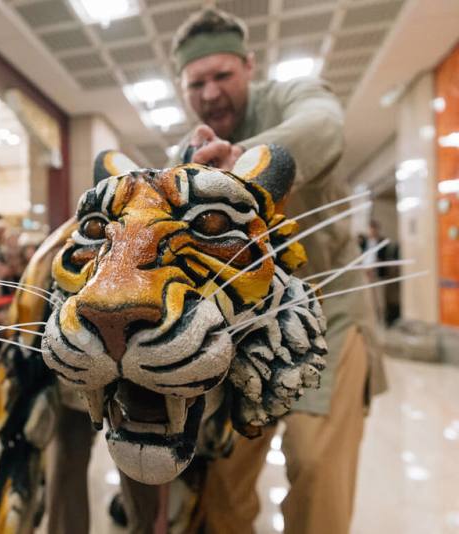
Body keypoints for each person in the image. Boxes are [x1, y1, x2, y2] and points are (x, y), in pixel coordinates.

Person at [163, 8, 383, 534]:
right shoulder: (188, 150)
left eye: (223, 75)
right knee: (221, 474)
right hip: (240, 329)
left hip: (328, 312)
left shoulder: (292, 97)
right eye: (196, 83)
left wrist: (245, 160)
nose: (211, 93)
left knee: (315, 466)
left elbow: (324, 126)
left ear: (249, 66)